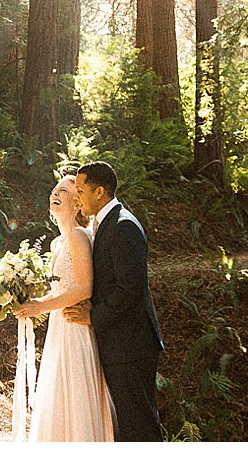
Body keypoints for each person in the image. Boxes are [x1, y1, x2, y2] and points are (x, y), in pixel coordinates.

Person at [66, 160, 164, 442]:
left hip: (131, 344)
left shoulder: (123, 226)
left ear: (99, 192)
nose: (77, 197)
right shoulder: (103, 223)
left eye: (81, 190)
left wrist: (92, 316)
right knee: (123, 422)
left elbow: (129, 290)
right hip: (118, 342)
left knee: (139, 422)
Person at [12, 176, 115, 442]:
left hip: (75, 329)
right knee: (56, 393)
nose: (55, 193)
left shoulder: (80, 237)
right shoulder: (57, 242)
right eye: (55, 189)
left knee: (74, 394)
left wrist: (42, 306)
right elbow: (61, 291)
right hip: (58, 328)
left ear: (78, 203)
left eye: (65, 191)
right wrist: (27, 304)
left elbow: (83, 289)